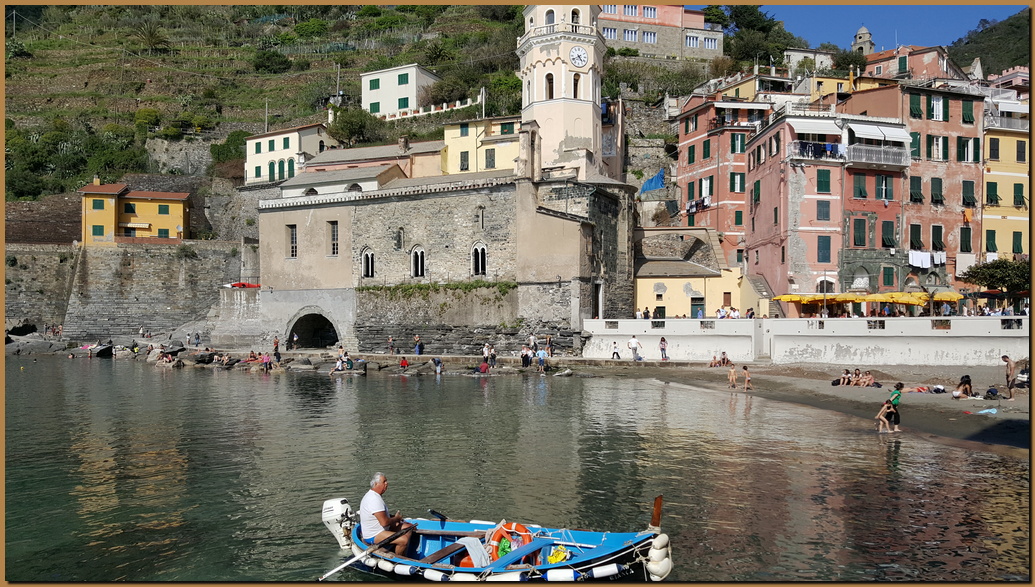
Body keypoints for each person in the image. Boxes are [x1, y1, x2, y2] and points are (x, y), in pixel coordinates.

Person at [359, 472, 414, 556]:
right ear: (376, 484)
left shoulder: (375, 496)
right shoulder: (373, 499)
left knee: (409, 527)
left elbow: (380, 516)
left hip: (382, 529)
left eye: (386, 481)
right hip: (374, 534)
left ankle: (401, 550)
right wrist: (396, 518)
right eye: (384, 481)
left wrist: (392, 517)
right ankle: (399, 558)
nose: (386, 483)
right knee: (404, 540)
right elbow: (384, 522)